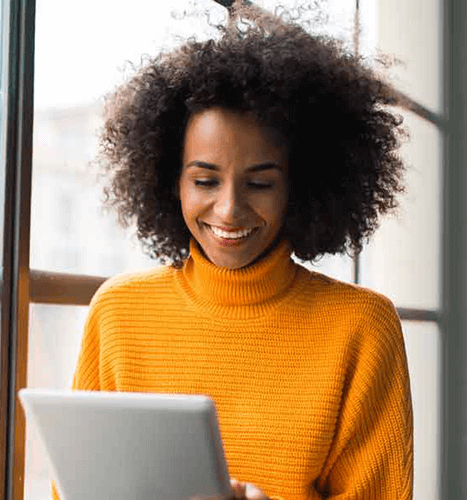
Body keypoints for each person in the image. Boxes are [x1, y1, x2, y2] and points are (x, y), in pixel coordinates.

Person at [51, 2, 413, 499]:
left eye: (260, 183)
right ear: (169, 180)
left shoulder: (363, 327)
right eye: (205, 180)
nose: (229, 210)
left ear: (300, 185)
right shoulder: (118, 312)